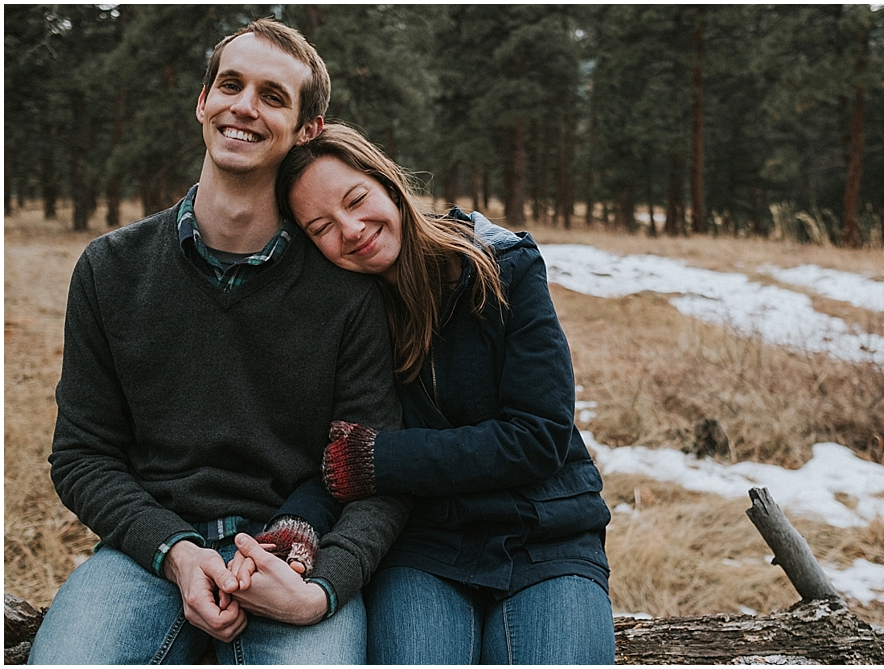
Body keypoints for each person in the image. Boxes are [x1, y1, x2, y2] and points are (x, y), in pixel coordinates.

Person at [28, 19, 410, 665]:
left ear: (307, 129)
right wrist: (175, 552)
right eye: (230, 85)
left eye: (272, 95)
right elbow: (83, 455)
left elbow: (377, 477)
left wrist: (321, 590)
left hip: (293, 558)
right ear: (202, 100)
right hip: (147, 554)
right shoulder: (111, 268)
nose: (243, 106)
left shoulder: (346, 290)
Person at [248, 123, 616, 664]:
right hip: (425, 547)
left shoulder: (502, 268)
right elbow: (339, 453)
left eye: (356, 200)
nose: (351, 230)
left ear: (389, 183)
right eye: (322, 227)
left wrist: (387, 459)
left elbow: (539, 437)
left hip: (546, 536)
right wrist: (301, 522)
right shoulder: (347, 316)